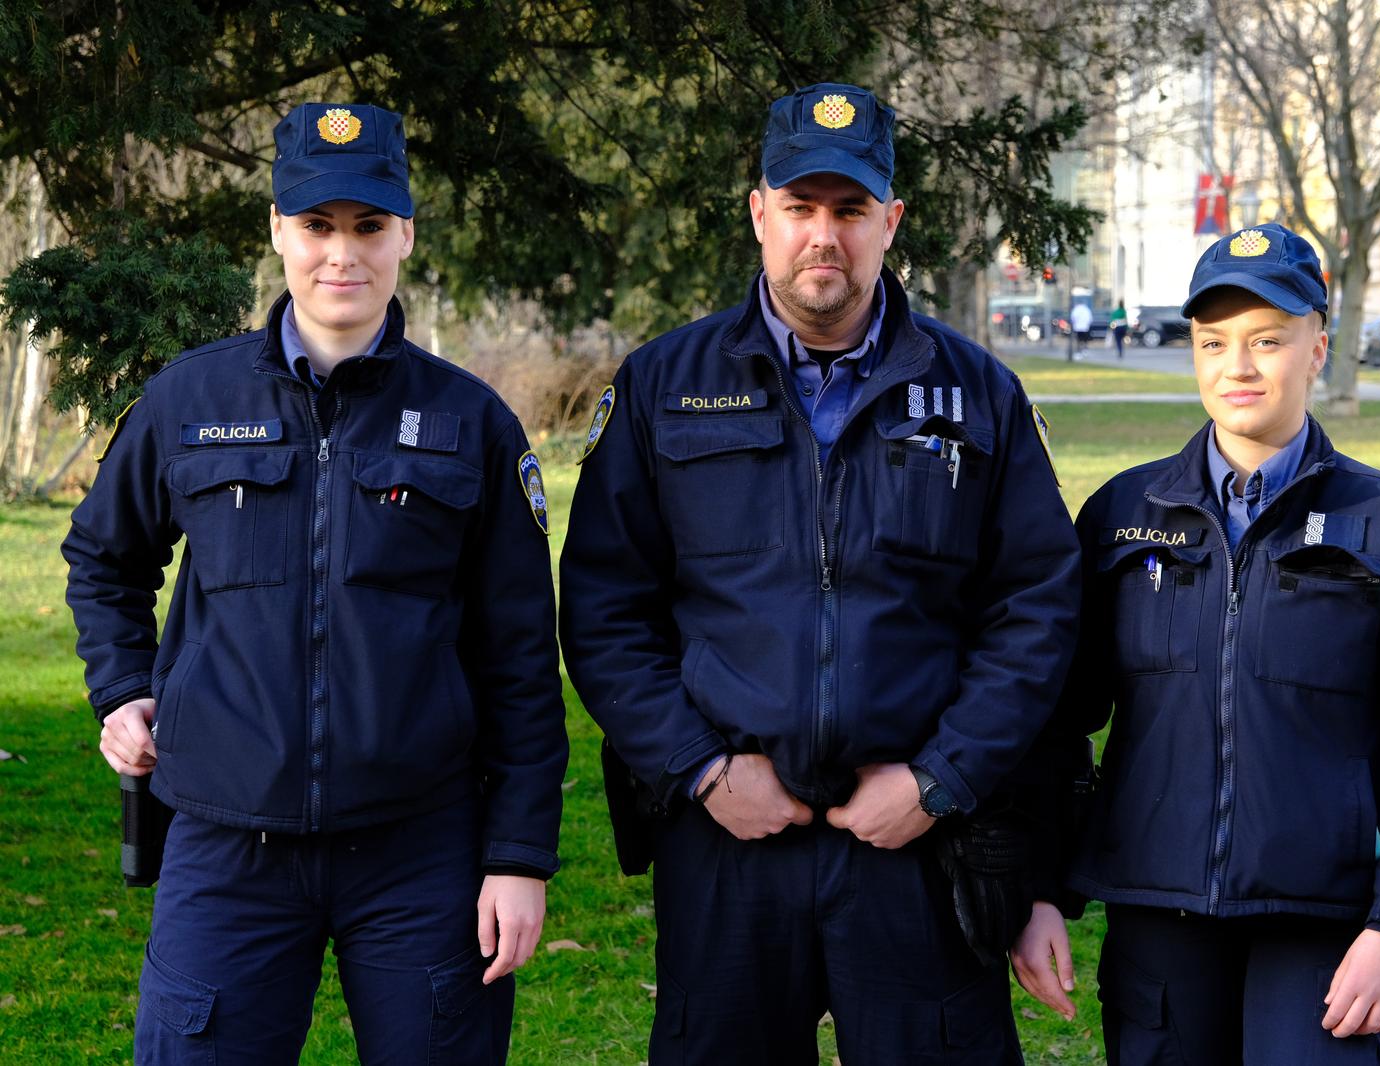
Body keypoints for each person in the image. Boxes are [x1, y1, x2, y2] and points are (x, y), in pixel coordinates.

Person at [559, 82, 1083, 1063]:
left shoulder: (978, 397)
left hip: (917, 841)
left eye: (849, 210)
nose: (824, 237)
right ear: (760, 212)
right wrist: (701, 769)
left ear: (890, 220)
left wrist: (941, 778)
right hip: (730, 838)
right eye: (800, 207)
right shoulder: (664, 387)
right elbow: (603, 607)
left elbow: (1035, 612)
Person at [62, 102, 569, 1063]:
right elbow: (104, 558)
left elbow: (517, 659)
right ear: (278, 232)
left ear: (406, 233)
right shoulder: (189, 399)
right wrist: (122, 688)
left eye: (369, 226)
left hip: (421, 851)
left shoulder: (472, 422)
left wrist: (517, 857)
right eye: (317, 226)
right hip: (223, 845)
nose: (343, 255)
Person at [1019, 223, 1380, 1064]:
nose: (1238, 367)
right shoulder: (1123, 518)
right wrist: (1041, 891)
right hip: (1156, 916)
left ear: (1318, 344)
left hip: (1325, 927)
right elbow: (1054, 718)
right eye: (1214, 342)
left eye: (1267, 340)